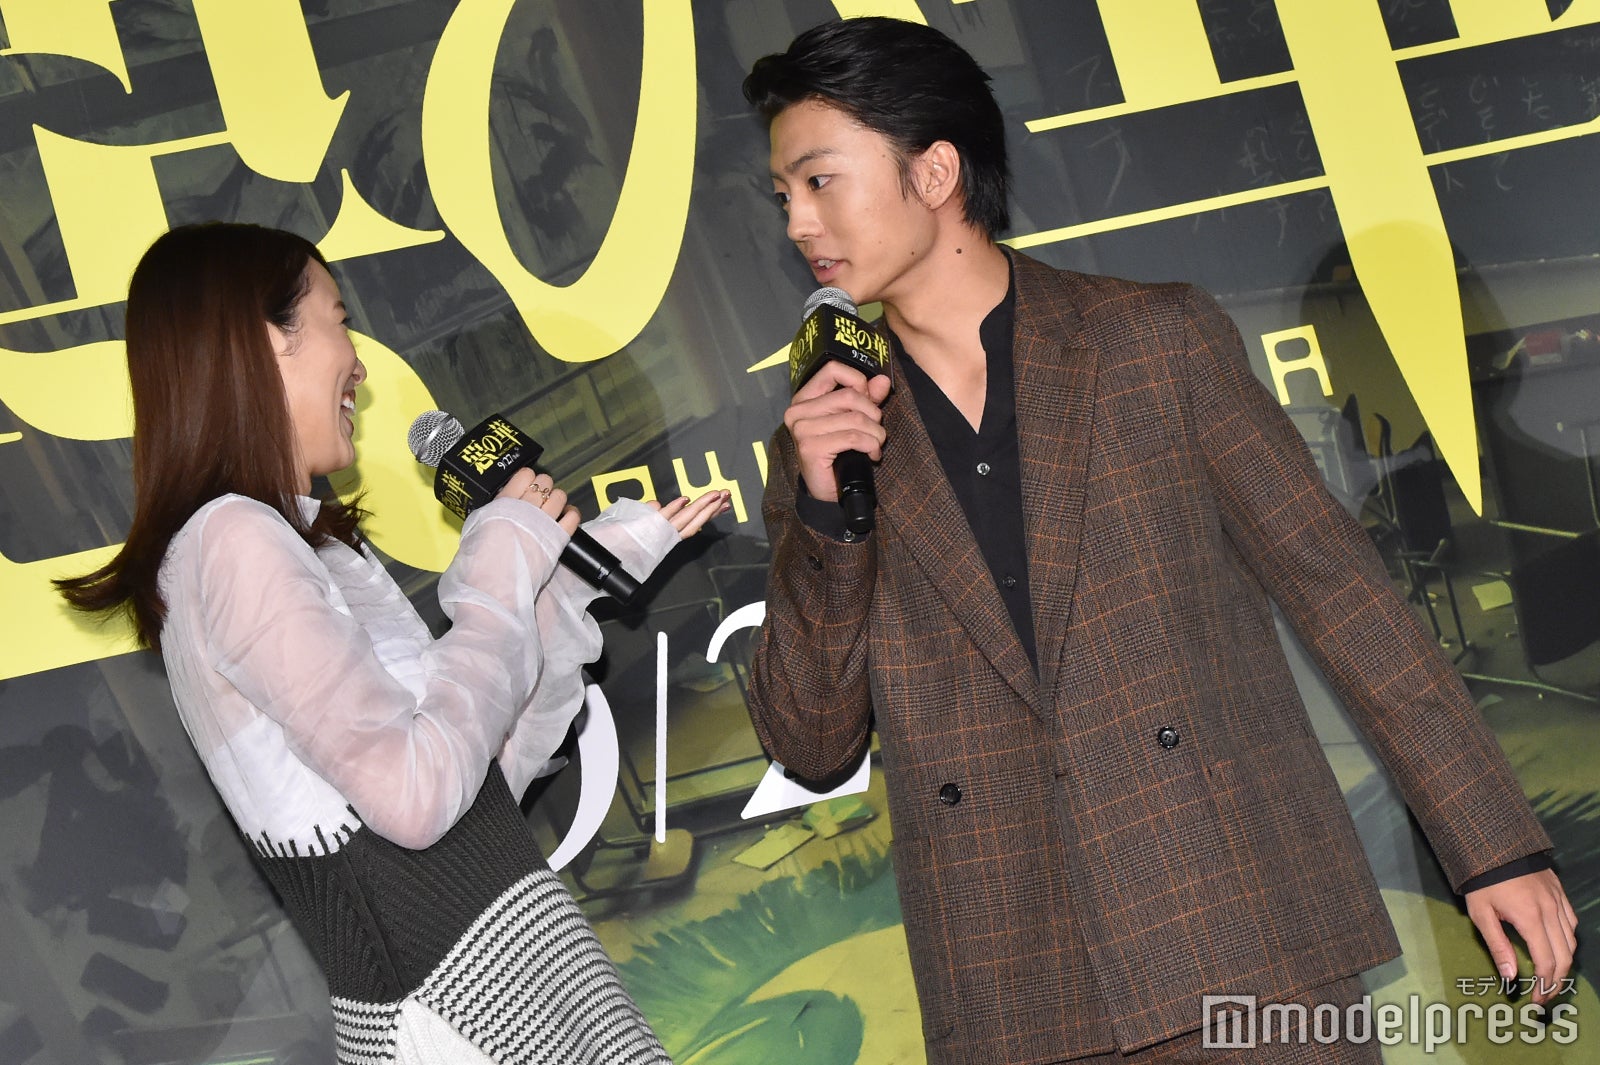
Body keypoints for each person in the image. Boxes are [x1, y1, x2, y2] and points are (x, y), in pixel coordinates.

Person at [741, 17, 1577, 1064]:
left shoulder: (1149, 340)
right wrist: (827, 517)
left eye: (819, 180)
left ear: (937, 171)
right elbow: (810, 743)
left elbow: (1338, 590)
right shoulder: (822, 440)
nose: (798, 224)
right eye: (784, 195)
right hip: (1015, 983)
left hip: (1238, 920)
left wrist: (1491, 844)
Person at [57, 222, 726, 1064]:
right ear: (267, 339)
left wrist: (555, 587)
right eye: (338, 320)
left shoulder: (300, 540)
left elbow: (475, 779)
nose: (360, 366)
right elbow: (415, 797)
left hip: (524, 964)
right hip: (460, 1002)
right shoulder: (231, 539)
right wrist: (498, 566)